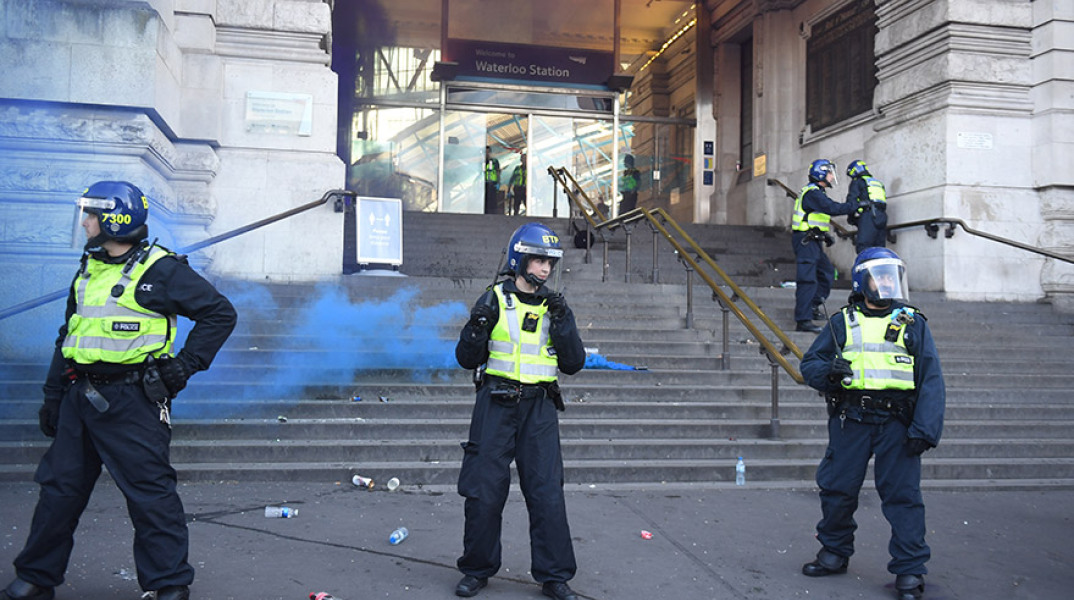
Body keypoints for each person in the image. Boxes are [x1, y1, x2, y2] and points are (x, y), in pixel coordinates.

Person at [1, 181, 237, 600]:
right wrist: (53, 395)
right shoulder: (89, 267)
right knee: (59, 491)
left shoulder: (162, 270)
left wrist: (183, 366)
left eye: (91, 214)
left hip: (133, 402)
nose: (85, 222)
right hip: (80, 395)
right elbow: (69, 335)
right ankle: (36, 577)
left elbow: (219, 313)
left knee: (150, 496)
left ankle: (169, 586)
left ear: (114, 220)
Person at [799, 248, 945, 600]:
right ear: (863, 281)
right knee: (837, 489)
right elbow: (810, 365)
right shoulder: (842, 322)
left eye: (891, 276)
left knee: (903, 498)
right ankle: (833, 552)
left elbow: (931, 380)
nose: (886, 283)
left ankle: (909, 571)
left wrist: (925, 430)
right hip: (852, 420)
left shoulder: (912, 322)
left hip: (897, 423)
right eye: (879, 276)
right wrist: (828, 374)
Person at [453, 223, 586, 600]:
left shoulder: (555, 306)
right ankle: (476, 570)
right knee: (484, 491)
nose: (545, 269)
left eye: (549, 262)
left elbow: (573, 363)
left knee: (546, 493)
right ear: (519, 258)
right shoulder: (493, 299)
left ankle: (554, 576)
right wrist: (476, 328)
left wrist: (562, 323)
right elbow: (466, 359)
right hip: (496, 404)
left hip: (539, 408)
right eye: (539, 260)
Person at [791, 159, 856, 333]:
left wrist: (824, 235)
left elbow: (813, 218)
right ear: (821, 173)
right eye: (829, 173)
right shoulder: (813, 193)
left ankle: (812, 306)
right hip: (806, 242)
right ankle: (803, 320)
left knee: (826, 273)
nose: (831, 176)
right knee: (808, 280)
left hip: (813, 240)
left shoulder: (817, 192)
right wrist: (853, 205)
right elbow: (831, 208)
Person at [845, 160, 889, 253]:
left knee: (864, 248)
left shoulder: (857, 182)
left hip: (868, 216)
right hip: (881, 217)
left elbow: (851, 202)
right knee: (880, 249)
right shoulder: (878, 183)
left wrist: (851, 218)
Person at [484, 146, 501, 215]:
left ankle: (493, 214)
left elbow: (498, 172)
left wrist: (498, 182)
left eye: (488, 152)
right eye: (486, 152)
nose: (487, 154)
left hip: (492, 183)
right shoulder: (483, 162)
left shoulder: (494, 161)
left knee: (492, 200)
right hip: (484, 184)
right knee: (485, 201)